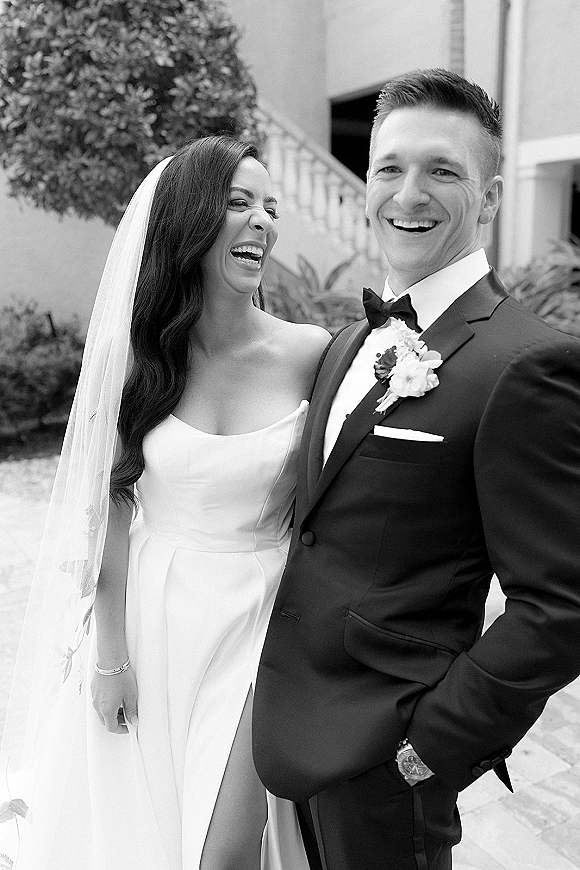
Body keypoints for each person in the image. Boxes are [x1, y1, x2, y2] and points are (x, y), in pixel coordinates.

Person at [253, 68, 580, 870]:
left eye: (443, 170)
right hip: (286, 727)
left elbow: (560, 605)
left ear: (490, 198)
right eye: (390, 168)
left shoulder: (526, 363)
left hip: (386, 759)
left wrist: (429, 747)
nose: (408, 194)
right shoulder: (347, 343)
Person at [1, 135, 329, 869]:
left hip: (262, 618)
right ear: (191, 219)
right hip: (154, 611)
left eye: (271, 208)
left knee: (224, 850)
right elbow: (112, 513)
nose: (263, 222)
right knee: (142, 832)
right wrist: (109, 657)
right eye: (239, 203)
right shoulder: (139, 359)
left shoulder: (311, 352)